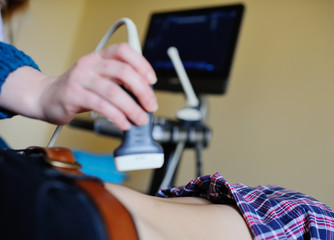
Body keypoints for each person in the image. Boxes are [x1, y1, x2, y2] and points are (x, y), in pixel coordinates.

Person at [0, 1, 333, 239]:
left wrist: (38, 91)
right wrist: (37, 90)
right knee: (308, 215)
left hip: (30, 175)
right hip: (42, 197)